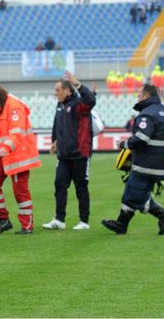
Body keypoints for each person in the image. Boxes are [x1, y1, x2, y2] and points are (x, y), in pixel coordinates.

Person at [102, 84, 164, 235]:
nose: (137, 98)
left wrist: (124, 144)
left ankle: (162, 214)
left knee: (133, 192)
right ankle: (123, 224)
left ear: (146, 96)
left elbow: (142, 138)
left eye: (138, 95)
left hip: (147, 163)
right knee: (136, 192)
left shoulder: (147, 114)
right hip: (161, 162)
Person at [0, 80, 42, 234]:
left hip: (18, 154)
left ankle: (27, 224)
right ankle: (3, 219)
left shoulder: (14, 106)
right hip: (2, 154)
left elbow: (17, 131)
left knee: (20, 191)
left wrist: (6, 147)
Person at [43, 72, 96, 231]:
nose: (55, 93)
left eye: (58, 90)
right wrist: (54, 141)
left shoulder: (79, 104)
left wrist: (78, 83)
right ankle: (59, 220)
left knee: (81, 188)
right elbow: (57, 124)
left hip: (80, 154)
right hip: (64, 155)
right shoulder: (60, 105)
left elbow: (91, 100)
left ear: (68, 91)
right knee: (59, 185)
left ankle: (84, 221)